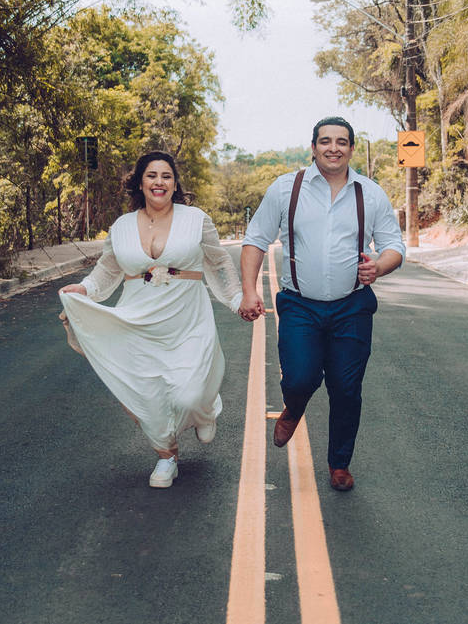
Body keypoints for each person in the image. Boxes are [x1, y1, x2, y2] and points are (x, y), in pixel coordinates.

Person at [59, 151, 243, 489]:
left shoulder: (196, 218)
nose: (159, 182)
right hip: (138, 320)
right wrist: (84, 289)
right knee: (148, 394)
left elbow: (218, 263)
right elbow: (108, 269)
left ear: (175, 184)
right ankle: (166, 456)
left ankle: (203, 408)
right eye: (152, 176)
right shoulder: (122, 226)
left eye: (166, 176)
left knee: (188, 394)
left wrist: (237, 299)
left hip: (187, 319)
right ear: (140, 183)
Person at [239, 117, 404, 491]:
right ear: (313, 147)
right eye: (326, 141)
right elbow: (255, 240)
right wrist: (250, 291)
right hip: (300, 305)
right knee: (300, 377)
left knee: (347, 389)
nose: (334, 148)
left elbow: (395, 245)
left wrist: (379, 266)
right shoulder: (285, 190)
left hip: (352, 307)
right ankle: (294, 407)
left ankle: (339, 464)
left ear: (350, 148)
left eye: (342, 142)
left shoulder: (371, 193)